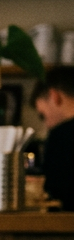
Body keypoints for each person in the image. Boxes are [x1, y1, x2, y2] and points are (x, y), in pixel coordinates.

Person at [34, 66, 74, 211]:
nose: (47, 124)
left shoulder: (61, 136)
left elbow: (55, 191)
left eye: (42, 115)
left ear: (54, 96)